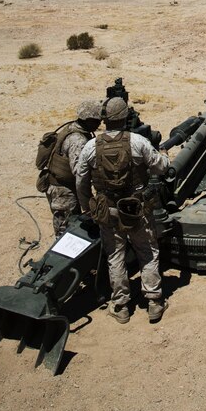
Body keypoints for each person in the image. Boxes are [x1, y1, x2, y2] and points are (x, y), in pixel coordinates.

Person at [75, 96, 170, 324]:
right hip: (137, 210)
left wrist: (89, 204)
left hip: (108, 212)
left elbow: (81, 179)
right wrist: (165, 158)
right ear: (126, 117)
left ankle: (121, 306)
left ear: (104, 120)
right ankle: (154, 302)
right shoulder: (137, 142)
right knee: (147, 252)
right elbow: (160, 167)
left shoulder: (91, 147)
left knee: (115, 256)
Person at [36, 100, 102, 235]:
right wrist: (88, 202)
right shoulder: (78, 140)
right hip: (64, 192)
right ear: (87, 119)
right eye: (95, 121)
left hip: (58, 187)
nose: (99, 124)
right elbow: (80, 174)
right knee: (65, 230)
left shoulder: (70, 128)